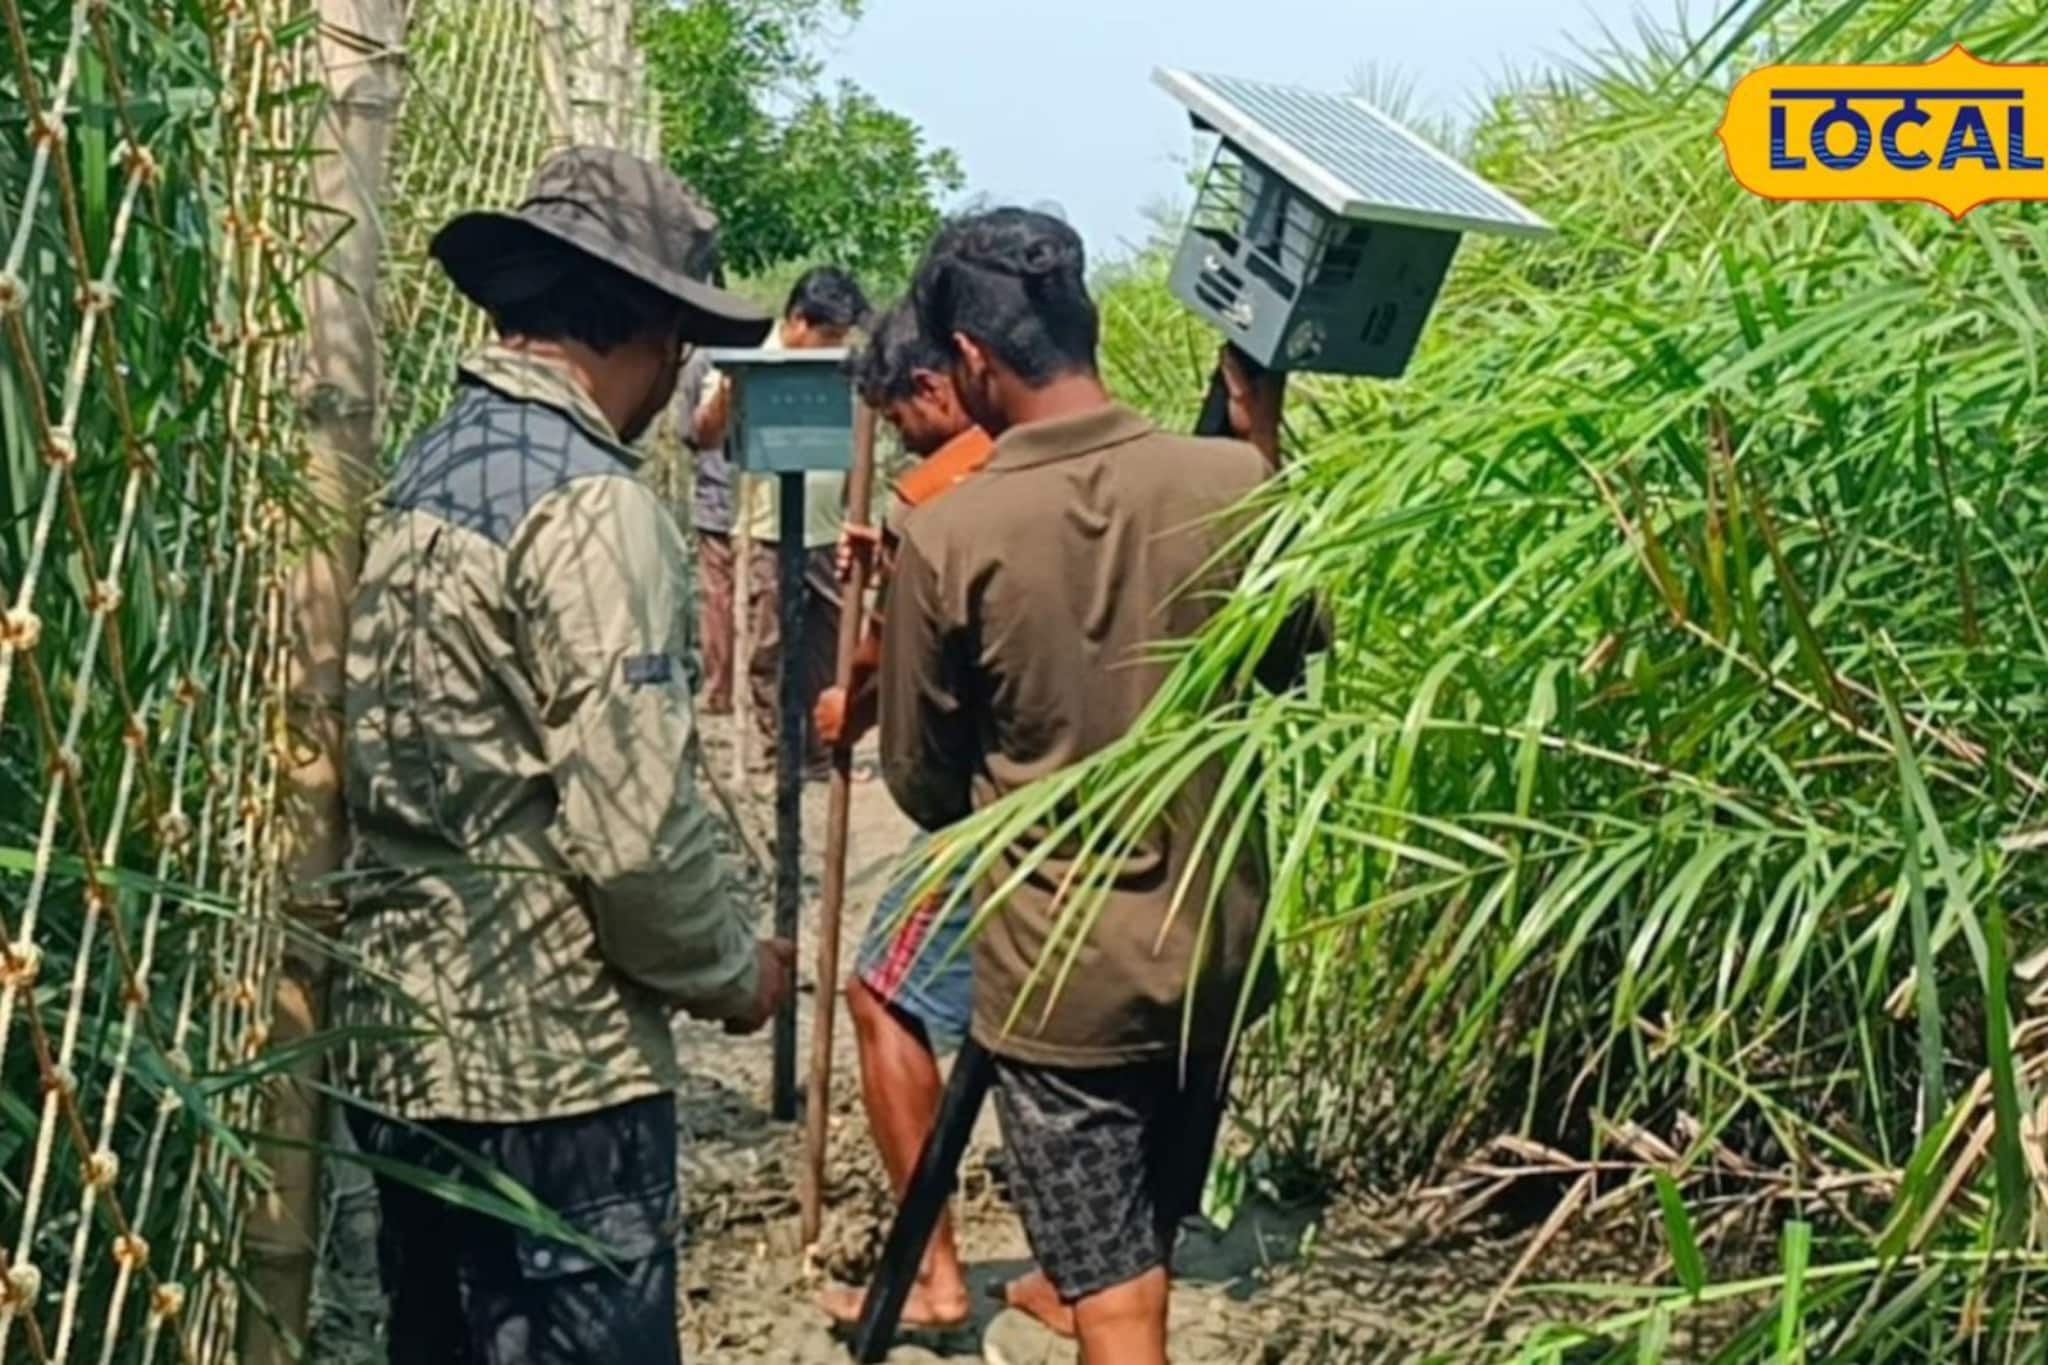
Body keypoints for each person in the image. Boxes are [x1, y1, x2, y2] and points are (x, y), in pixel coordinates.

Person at [339, 146, 796, 1365]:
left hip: (399, 1041)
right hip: (556, 1071)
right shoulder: (592, 507)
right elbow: (634, 828)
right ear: (647, 332)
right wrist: (728, 971)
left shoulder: (421, 471)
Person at [879, 209, 1315, 1364]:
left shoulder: (948, 531)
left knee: (1115, 1305)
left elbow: (919, 781)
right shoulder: (1234, 476)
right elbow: (1287, 660)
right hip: (1214, 950)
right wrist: (1261, 441)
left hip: (1063, 982)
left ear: (969, 361)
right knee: (1140, 1252)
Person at [809, 302, 1072, 1334]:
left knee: (882, 995)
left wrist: (851, 695)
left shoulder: (947, 482)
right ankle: (1074, 1269)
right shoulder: (1056, 454)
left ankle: (933, 1275)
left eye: (900, 416)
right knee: (1051, 1032)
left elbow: (892, 656)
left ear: (933, 387)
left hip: (993, 810)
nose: (908, 440)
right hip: (1100, 796)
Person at [695, 266, 870, 778]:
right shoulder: (749, 358)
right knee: (769, 648)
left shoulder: (839, 367)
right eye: (829, 335)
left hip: (825, 528)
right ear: (798, 321)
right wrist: (732, 388)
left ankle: (818, 754)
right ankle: (780, 753)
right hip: (767, 530)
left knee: (828, 647)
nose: (834, 346)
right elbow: (703, 433)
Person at [675, 346, 737, 714]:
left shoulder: (703, 361)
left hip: (736, 500)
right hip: (724, 500)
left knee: (727, 599)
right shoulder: (706, 361)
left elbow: (686, 431)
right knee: (724, 601)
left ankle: (725, 691)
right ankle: (722, 690)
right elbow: (688, 431)